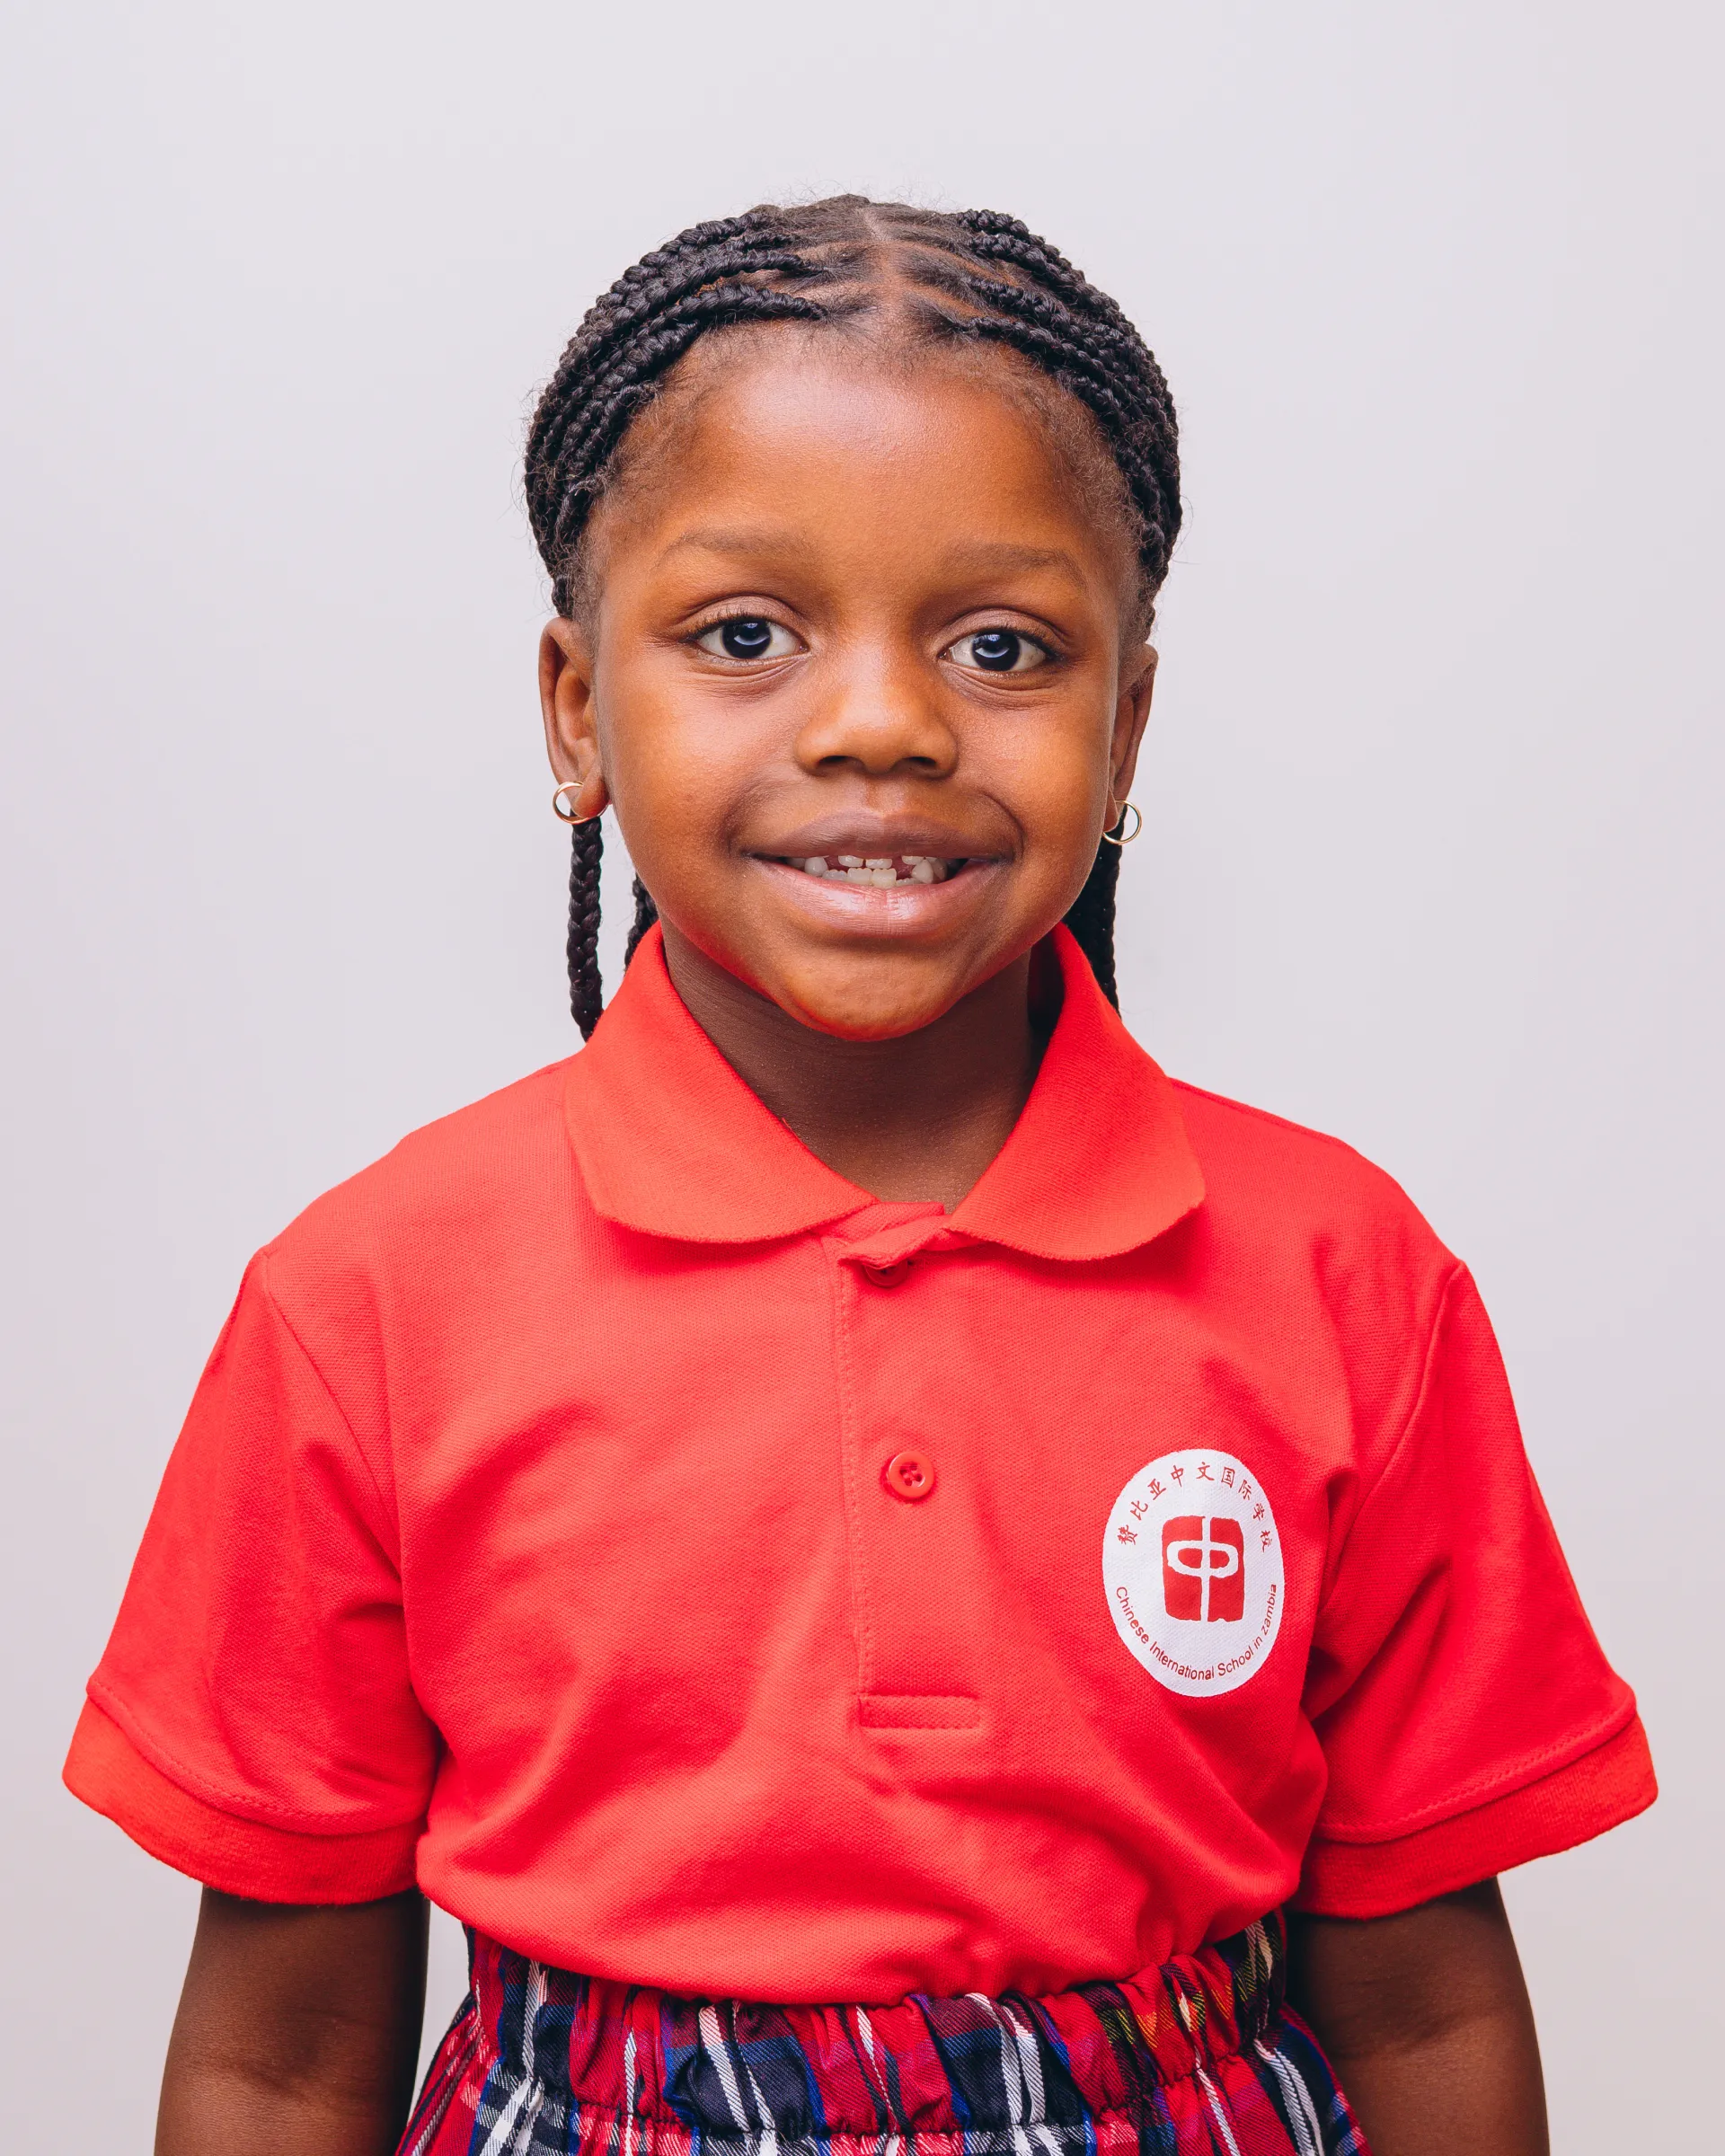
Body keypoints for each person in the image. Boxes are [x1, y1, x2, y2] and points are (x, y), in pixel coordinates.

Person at [66, 197, 1654, 2156]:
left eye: (1002, 646)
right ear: (577, 708)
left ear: (1126, 724)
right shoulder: (370, 1303)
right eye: (746, 634)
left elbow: (1426, 2006)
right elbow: (280, 2055)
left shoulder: (1345, 1279)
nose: (886, 725)